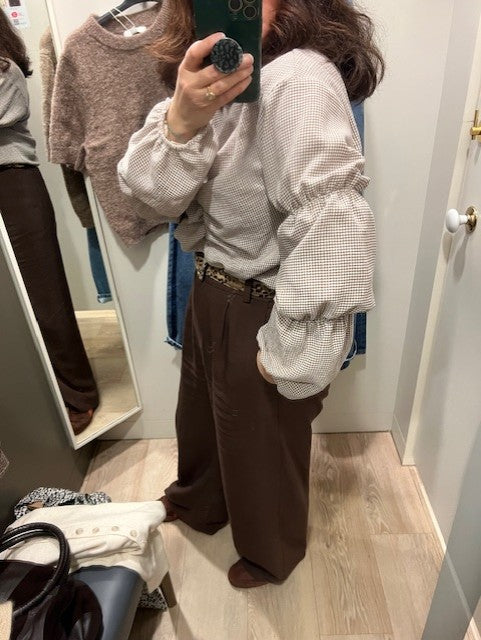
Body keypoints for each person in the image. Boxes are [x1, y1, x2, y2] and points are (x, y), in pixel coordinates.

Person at [118, 0, 384, 588]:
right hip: (210, 285)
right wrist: (182, 119)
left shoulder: (298, 78)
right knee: (202, 420)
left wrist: (295, 351)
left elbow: (328, 216)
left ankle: (271, 551)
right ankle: (200, 501)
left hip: (265, 301)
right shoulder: (215, 81)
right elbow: (150, 197)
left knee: (262, 444)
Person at [0, 11, 99, 434]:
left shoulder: (5, 69)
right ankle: (31, 395)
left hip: (13, 184)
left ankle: (79, 394)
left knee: (46, 296)